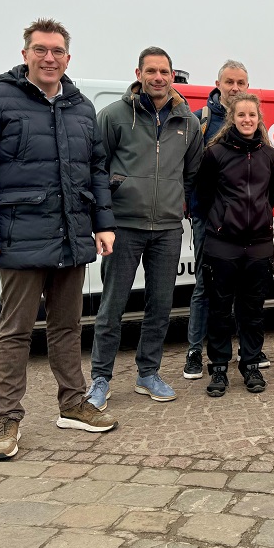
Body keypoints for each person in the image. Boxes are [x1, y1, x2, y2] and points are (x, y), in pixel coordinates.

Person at [0, 18, 118, 461]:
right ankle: (7, 417)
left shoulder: (82, 107)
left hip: (70, 236)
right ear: (25, 52)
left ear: (68, 57)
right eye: (41, 50)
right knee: (15, 333)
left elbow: (96, 172)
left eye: (58, 51)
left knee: (68, 328)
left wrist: (103, 224)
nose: (50, 58)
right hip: (19, 237)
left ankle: (72, 404)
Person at [85, 47, 203, 411]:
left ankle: (147, 373)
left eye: (163, 71)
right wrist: (103, 217)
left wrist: (179, 203)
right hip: (124, 225)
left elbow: (193, 173)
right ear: (138, 73)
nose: (157, 77)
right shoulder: (114, 116)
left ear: (172, 75)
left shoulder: (189, 123)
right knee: (112, 305)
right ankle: (100, 378)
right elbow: (96, 169)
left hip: (167, 228)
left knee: (160, 306)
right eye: (150, 71)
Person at [195, 93, 274, 397]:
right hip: (222, 245)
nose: (247, 120)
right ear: (232, 117)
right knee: (219, 310)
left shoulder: (270, 156)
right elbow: (203, 197)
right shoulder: (215, 154)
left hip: (258, 245)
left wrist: (255, 221)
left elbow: (271, 197)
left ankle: (250, 364)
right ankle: (218, 368)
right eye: (241, 115)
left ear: (260, 119)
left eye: (252, 115)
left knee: (253, 310)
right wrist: (223, 222)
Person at [184, 60, 265, 379]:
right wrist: (200, 212)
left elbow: (268, 177)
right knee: (206, 286)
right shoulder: (200, 121)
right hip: (211, 223)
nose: (235, 88)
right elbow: (191, 173)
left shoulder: (258, 125)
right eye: (229, 81)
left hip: (248, 226)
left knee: (247, 290)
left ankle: (250, 351)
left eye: (241, 82)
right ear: (217, 84)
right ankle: (194, 350)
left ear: (248, 86)